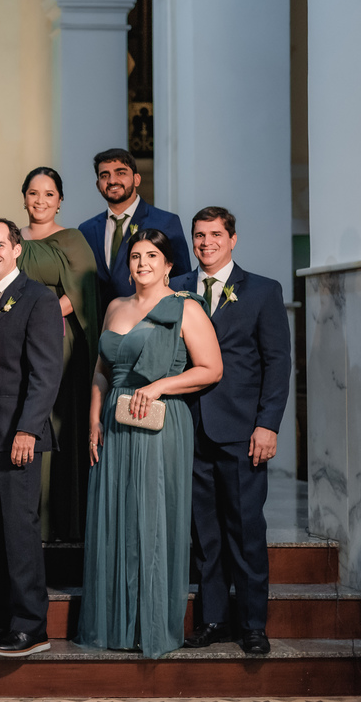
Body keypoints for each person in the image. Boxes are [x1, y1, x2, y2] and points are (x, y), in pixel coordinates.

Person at [77, 229, 222, 658]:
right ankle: (115, 625)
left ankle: (150, 625)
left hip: (159, 423)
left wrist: (161, 385)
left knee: (152, 516)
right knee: (115, 518)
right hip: (114, 422)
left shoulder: (185, 308)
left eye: (151, 256)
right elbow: (102, 367)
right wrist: (92, 417)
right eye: (135, 256)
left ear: (168, 264)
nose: (142, 264)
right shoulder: (115, 307)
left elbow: (211, 369)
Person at [173, 207, 291, 655]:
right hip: (190, 427)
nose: (206, 243)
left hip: (242, 431)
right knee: (204, 534)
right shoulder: (177, 287)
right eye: (199, 235)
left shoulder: (262, 290)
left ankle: (253, 624)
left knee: (244, 530)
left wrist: (267, 424)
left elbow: (277, 363)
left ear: (233, 239)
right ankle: (213, 619)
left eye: (215, 235)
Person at [0, 218, 63, 657]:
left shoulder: (37, 298)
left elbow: (46, 373)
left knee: (19, 531)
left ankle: (32, 625)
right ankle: (6, 617)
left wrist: (28, 428)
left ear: (16, 249)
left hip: (18, 434)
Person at [17, 167, 99, 542]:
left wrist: (43, 315)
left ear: (60, 200)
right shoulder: (12, 239)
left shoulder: (72, 238)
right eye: (33, 193)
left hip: (60, 340)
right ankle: (27, 517)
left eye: (49, 194)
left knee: (58, 421)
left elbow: (83, 290)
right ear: (24, 197)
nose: (40, 201)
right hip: (17, 341)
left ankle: (62, 520)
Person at [77, 148, 190, 315]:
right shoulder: (86, 229)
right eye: (104, 175)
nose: (112, 180)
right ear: (98, 185)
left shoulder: (165, 222)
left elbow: (182, 279)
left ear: (136, 179)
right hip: (101, 326)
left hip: (152, 320)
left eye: (120, 173)